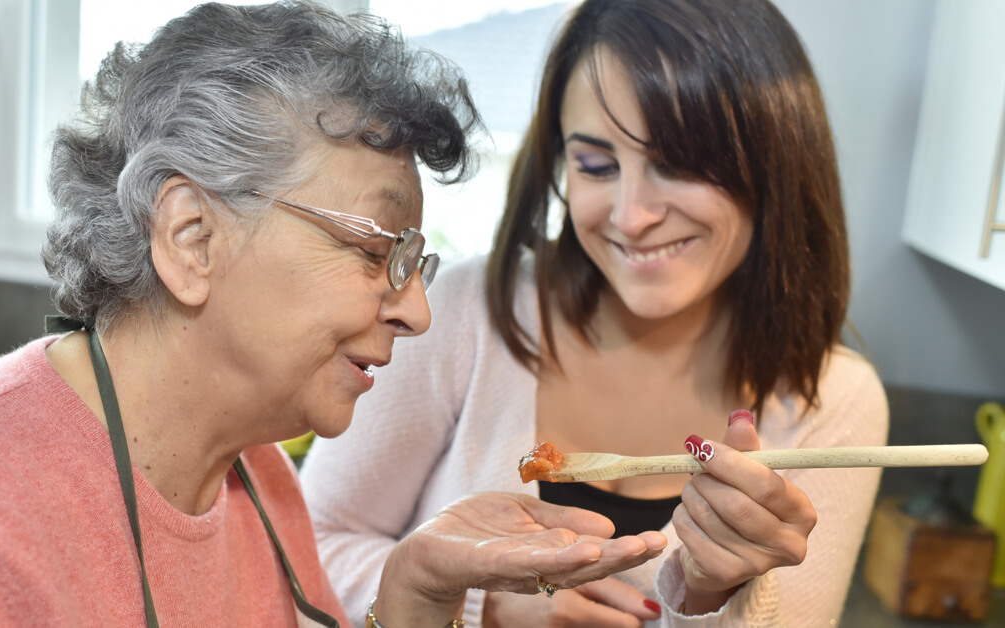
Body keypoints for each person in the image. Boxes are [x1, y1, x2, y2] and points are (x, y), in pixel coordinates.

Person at [0, 2, 670, 626]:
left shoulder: (256, 474)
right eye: (376, 251)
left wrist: (413, 596)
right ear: (191, 238)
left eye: (414, 261)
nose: (416, 311)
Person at [300, 0, 889, 626]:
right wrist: (482, 605)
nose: (631, 216)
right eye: (596, 165)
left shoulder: (836, 402)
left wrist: (710, 595)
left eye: (680, 164)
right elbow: (306, 547)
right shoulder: (458, 314)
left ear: (777, 161)